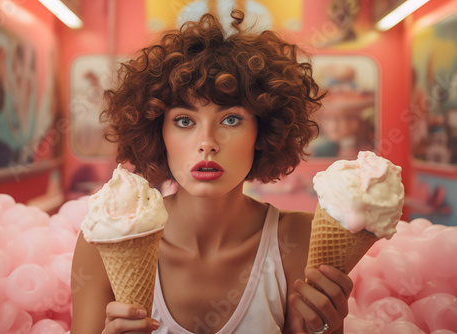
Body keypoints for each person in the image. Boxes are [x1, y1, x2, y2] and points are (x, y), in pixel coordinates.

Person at [71, 10, 353, 334]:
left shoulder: (301, 238)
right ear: (157, 132)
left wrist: (327, 330)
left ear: (262, 133)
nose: (207, 143)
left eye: (231, 119)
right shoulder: (104, 239)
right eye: (184, 121)